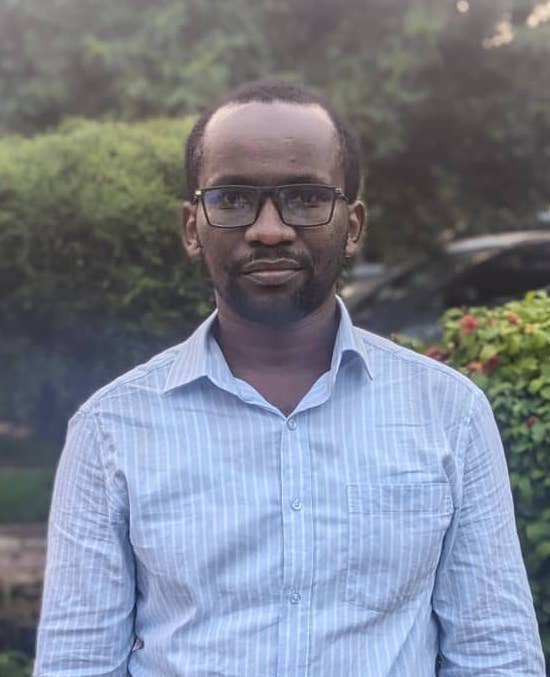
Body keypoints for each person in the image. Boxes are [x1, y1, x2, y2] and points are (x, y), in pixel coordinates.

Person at [34, 79, 545, 676]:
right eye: (232, 198)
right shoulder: (111, 428)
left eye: (305, 197)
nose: (269, 229)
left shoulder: (449, 412)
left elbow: (495, 657)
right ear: (192, 227)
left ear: (352, 226)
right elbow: (77, 665)